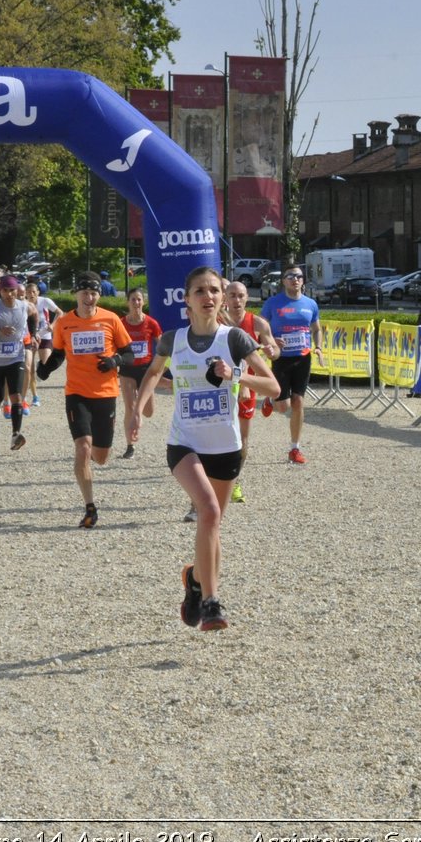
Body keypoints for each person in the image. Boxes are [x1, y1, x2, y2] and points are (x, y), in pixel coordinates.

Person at [130, 266, 280, 632]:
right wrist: (137, 410)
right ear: (187, 300)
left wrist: (235, 375)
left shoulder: (235, 340)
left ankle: (195, 580)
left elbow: (273, 387)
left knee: (212, 525)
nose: (208, 297)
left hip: (226, 447)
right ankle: (212, 603)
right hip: (184, 444)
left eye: (214, 290)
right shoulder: (173, 339)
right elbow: (152, 372)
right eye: (200, 291)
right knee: (208, 511)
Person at [37, 272, 135, 527]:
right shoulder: (66, 322)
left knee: (100, 456)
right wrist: (46, 367)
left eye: (94, 293)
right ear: (76, 294)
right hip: (76, 393)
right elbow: (59, 353)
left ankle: (91, 458)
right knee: (82, 447)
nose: (89, 298)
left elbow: (130, 353)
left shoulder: (110, 319)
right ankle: (90, 508)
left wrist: (115, 361)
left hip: (105, 394)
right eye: (85, 293)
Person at [219, 278, 278, 503]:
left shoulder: (258, 323)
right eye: (232, 295)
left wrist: (273, 351)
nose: (237, 300)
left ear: (247, 298)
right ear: (225, 298)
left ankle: (235, 480)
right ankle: (214, 480)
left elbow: (273, 349)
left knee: (242, 439)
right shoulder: (217, 322)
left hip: (247, 386)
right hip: (221, 386)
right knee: (218, 434)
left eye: (241, 295)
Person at [257, 265, 323, 465]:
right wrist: (270, 342)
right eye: (291, 276)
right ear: (284, 281)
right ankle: (271, 399)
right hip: (281, 358)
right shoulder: (273, 303)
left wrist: (318, 347)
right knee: (283, 407)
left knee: (298, 403)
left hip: (303, 357)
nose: (295, 279)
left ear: (303, 281)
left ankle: (295, 448)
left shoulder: (310, 304)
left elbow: (317, 329)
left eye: (299, 276)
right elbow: (260, 327)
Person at [0, 275, 35, 452]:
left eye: (12, 290)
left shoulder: (25, 306)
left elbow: (34, 315)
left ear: (17, 290)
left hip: (16, 357)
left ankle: (15, 434)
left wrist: (33, 335)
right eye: (5, 291)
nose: (9, 294)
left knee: (16, 396)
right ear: (0, 291)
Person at [117, 287, 163, 463]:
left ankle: (139, 412)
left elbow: (162, 345)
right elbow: (113, 345)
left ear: (143, 302)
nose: (136, 303)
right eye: (133, 300)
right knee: (130, 407)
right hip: (127, 370)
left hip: (145, 370)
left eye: (139, 299)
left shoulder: (151, 323)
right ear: (127, 302)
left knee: (149, 412)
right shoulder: (121, 323)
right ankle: (130, 445)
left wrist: (161, 367)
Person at [22, 279, 61, 411]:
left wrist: (53, 325)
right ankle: (34, 396)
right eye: (29, 292)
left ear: (38, 292)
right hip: (32, 337)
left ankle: (41, 366)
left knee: (46, 361)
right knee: (30, 369)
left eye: (34, 292)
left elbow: (60, 313)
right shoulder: (24, 304)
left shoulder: (45, 301)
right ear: (26, 294)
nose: (31, 294)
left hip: (45, 335)